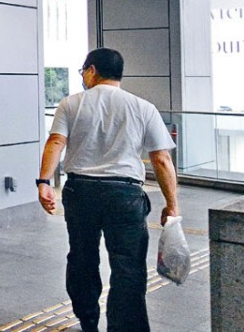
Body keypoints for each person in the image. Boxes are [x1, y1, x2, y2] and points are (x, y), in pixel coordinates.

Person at [37, 48, 179, 332]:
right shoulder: (143, 107)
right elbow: (162, 159)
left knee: (82, 258)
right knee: (128, 267)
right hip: (125, 195)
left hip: (81, 192)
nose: (82, 77)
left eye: (83, 71)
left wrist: (44, 182)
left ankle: (88, 321)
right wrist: (172, 204)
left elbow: (55, 142)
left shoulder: (70, 104)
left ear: (92, 70)